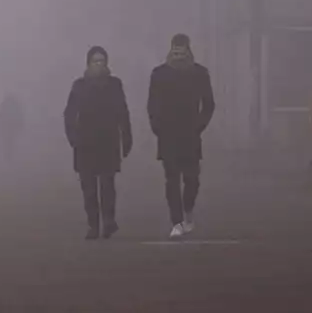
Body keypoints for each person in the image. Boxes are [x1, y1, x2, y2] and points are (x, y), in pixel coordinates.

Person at [146, 33, 215, 239]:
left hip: (191, 134)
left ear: (188, 50)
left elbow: (209, 104)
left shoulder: (199, 73)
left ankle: (188, 210)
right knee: (172, 180)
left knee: (192, 180)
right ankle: (176, 221)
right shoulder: (159, 74)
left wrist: (199, 126)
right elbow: (152, 104)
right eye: (175, 51)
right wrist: (157, 127)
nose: (178, 55)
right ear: (171, 50)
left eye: (181, 52)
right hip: (167, 135)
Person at [64, 46, 133, 239]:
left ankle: (109, 221)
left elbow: (123, 112)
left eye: (102, 61)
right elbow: (69, 114)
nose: (99, 64)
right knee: (89, 188)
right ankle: (93, 224)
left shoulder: (114, 84)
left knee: (107, 185)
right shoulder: (79, 86)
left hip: (108, 141)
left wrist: (126, 137)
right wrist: (73, 138)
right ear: (88, 63)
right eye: (95, 61)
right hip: (85, 143)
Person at [0, 92, 25, 163]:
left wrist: (0, 127)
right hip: (11, 128)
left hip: (7, 128)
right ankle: (10, 158)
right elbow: (20, 116)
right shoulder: (14, 106)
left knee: (7, 143)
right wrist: (20, 126)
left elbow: (0, 117)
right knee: (10, 142)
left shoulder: (5, 105)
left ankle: (8, 158)